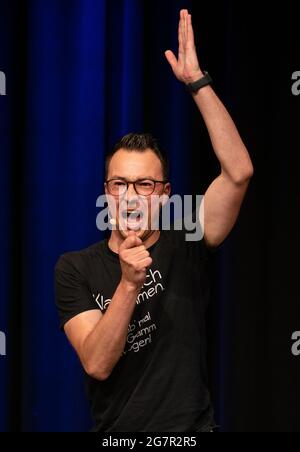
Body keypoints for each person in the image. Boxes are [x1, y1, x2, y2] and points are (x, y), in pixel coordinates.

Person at [55, 9, 253, 432]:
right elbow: (98, 363)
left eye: (145, 184)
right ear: (106, 192)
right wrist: (128, 283)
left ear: (164, 195)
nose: (130, 196)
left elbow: (238, 172)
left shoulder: (188, 234)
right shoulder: (75, 269)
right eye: (120, 183)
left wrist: (197, 83)